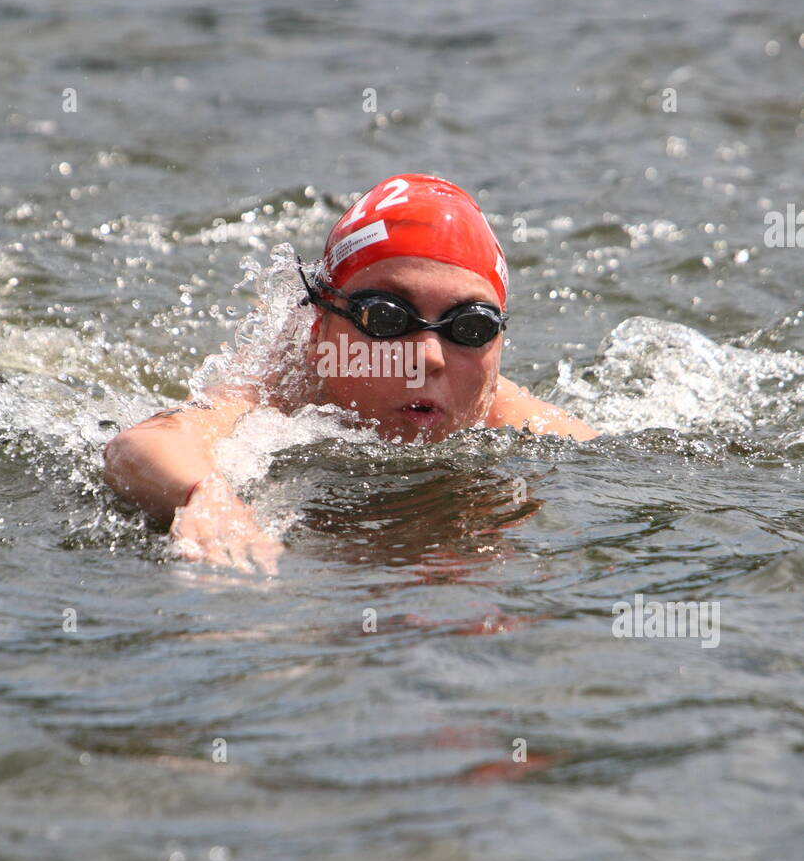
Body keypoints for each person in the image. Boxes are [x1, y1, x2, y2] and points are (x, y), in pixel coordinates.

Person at [103, 173, 598, 570]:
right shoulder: (279, 394)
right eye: (385, 318)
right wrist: (203, 494)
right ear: (321, 330)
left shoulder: (508, 413)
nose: (430, 356)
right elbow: (140, 445)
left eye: (469, 327)